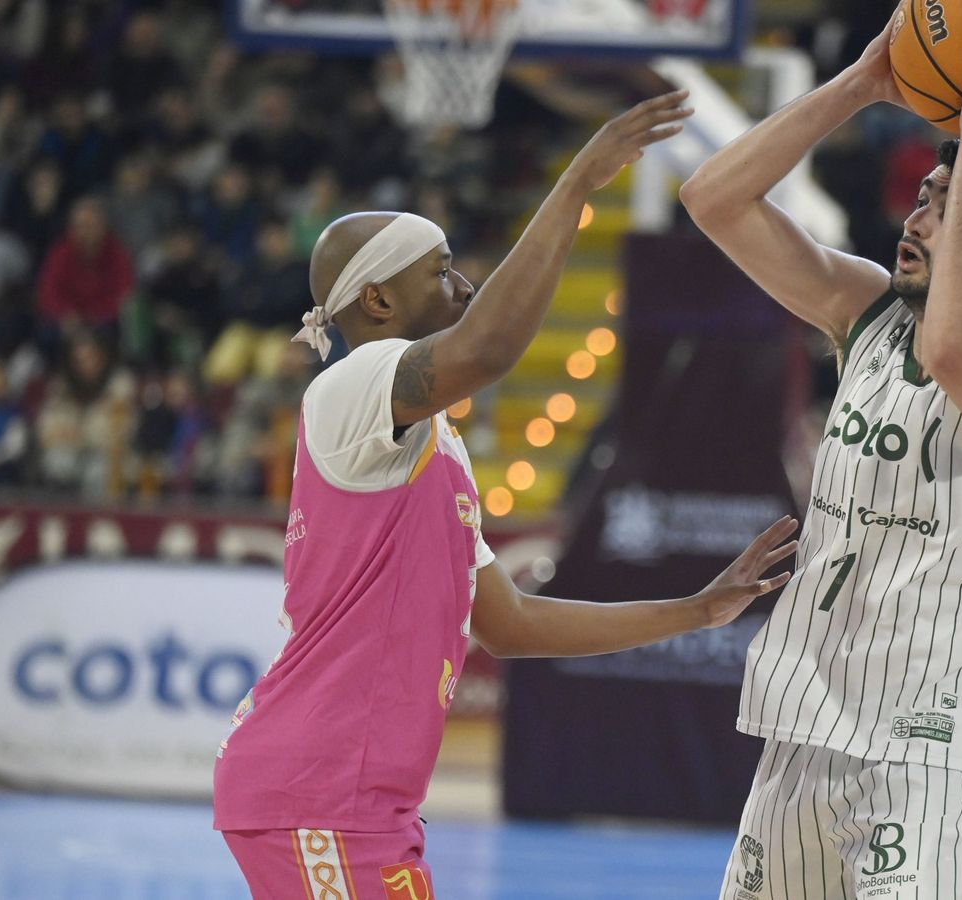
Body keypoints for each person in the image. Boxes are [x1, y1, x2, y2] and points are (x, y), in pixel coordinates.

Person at [210, 91, 799, 899]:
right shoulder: (350, 386)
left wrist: (693, 612)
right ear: (377, 301)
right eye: (440, 270)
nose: (463, 286)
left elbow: (510, 623)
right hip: (317, 789)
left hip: (357, 801)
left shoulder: (429, 447)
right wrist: (576, 185)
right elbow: (486, 349)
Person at [682, 11, 962, 898]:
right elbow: (712, 199)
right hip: (809, 725)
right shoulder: (865, 315)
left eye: (945, 205)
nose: (915, 216)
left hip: (932, 755)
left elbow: (954, 353)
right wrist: (863, 82)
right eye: (920, 196)